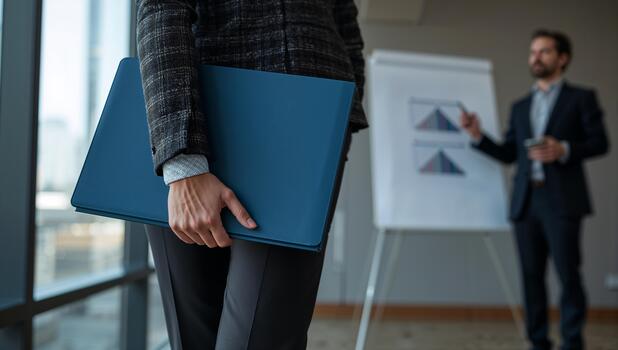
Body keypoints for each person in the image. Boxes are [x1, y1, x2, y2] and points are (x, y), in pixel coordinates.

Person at [136, 0, 367, 349]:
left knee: (265, 334)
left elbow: (345, 19)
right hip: (191, 110)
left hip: (307, 115)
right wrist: (182, 164)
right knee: (194, 333)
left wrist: (345, 105)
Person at [460, 29, 609, 350]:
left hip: (563, 201)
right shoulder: (520, 106)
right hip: (526, 202)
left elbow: (601, 142)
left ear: (562, 58)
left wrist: (564, 149)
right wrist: (477, 135)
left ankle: (572, 342)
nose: (536, 58)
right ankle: (537, 340)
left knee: (568, 275)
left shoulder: (581, 98)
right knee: (530, 276)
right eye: (532, 52)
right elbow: (510, 153)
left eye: (544, 51)